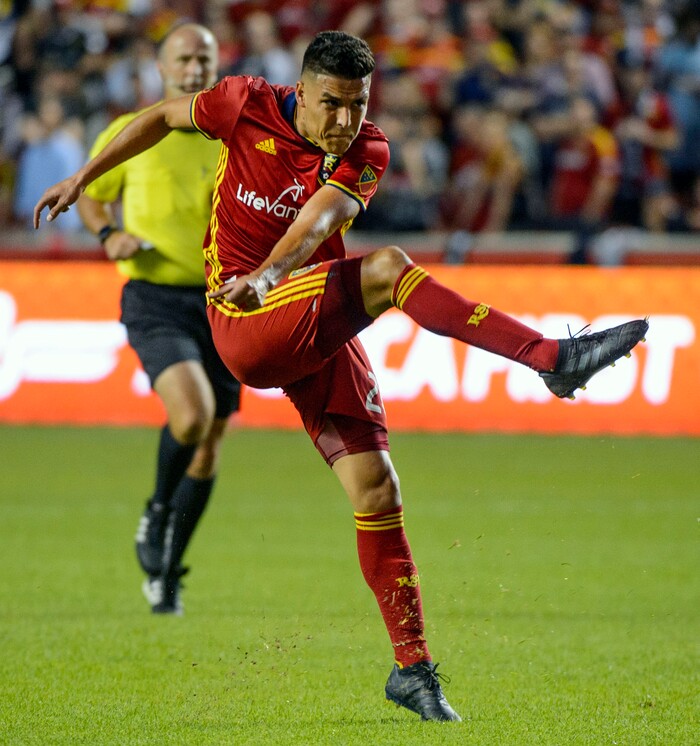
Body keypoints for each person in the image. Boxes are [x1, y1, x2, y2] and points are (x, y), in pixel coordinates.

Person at [34, 30, 648, 723]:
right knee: (385, 269)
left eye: (357, 105)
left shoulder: (369, 149)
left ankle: (412, 669)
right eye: (331, 105)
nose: (344, 121)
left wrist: (272, 273)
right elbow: (157, 117)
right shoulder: (244, 104)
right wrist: (84, 178)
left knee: (377, 486)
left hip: (300, 306)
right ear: (302, 90)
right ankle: (550, 359)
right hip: (244, 322)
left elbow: (318, 219)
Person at [75, 23, 241, 616]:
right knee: (192, 415)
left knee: (210, 443)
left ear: (217, 64)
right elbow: (91, 188)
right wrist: (107, 232)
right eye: (183, 58)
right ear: (161, 66)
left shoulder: (236, 134)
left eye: (204, 58)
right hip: (155, 295)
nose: (194, 68)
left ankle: (168, 573)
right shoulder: (135, 130)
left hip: (225, 302)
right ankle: (156, 510)